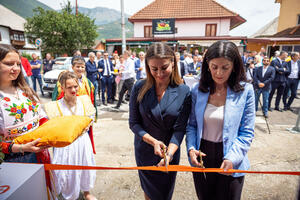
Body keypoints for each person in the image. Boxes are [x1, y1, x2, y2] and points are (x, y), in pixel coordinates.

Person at [186, 40, 255, 200]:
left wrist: (233, 157)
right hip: (202, 155)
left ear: (234, 66)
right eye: (214, 67)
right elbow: (192, 126)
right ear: (207, 65)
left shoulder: (246, 91)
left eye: (225, 68)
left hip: (231, 156)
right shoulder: (198, 90)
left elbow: (246, 132)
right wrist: (191, 149)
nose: (219, 73)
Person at [129, 42, 191, 200]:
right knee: (149, 193)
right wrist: (153, 141)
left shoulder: (184, 91)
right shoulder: (139, 87)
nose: (159, 73)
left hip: (170, 151)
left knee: (164, 194)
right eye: (154, 69)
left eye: (164, 67)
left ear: (173, 63)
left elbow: (180, 129)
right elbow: (134, 123)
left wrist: (168, 154)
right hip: (145, 149)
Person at [0, 44, 51, 189]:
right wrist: (21, 147)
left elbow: (41, 115)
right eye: (9, 64)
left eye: (18, 64)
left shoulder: (24, 89)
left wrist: (49, 131)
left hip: (40, 152)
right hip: (14, 161)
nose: (15, 68)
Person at [45, 71, 97, 200]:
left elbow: (90, 121)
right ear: (62, 88)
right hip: (65, 145)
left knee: (85, 165)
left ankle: (86, 191)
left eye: (75, 86)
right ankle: (69, 195)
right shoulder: (55, 107)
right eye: (69, 87)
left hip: (82, 142)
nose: (73, 90)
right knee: (68, 171)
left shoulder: (85, 101)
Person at [52, 56, 97, 154]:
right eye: (78, 67)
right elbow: (55, 99)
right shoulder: (62, 82)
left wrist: (92, 117)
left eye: (82, 67)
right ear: (72, 67)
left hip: (82, 117)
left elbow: (92, 100)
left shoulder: (88, 83)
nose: (80, 69)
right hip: (66, 116)